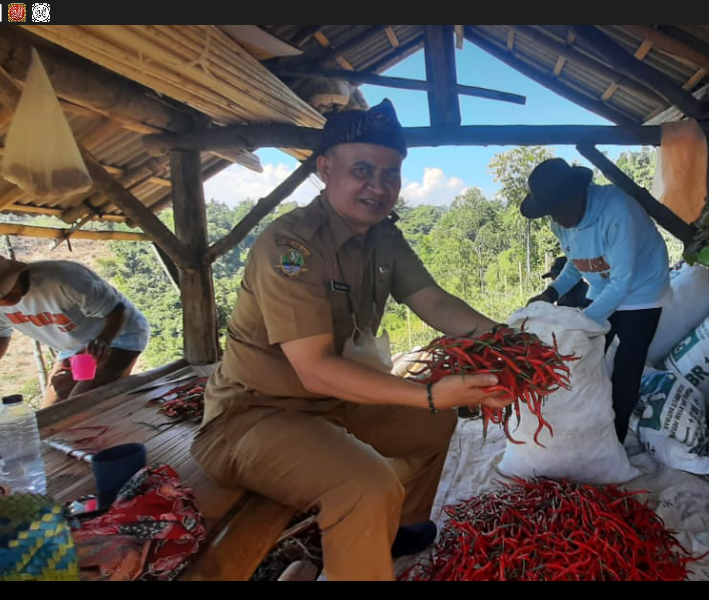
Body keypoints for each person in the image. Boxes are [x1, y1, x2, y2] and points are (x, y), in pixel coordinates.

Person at [190, 99, 512, 581]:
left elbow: (433, 300)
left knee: (436, 424)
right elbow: (314, 366)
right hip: (253, 417)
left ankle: (394, 531)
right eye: (362, 170)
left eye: (390, 173)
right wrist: (426, 393)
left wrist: (507, 341)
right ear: (325, 169)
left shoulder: (384, 239)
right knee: (367, 483)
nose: (378, 186)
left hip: (331, 405)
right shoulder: (291, 247)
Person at [522, 158, 669, 443]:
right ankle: (585, 424)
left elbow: (622, 283)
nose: (558, 219)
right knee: (584, 358)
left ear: (580, 194)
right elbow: (577, 263)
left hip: (642, 290)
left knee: (627, 365)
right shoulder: (562, 222)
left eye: (562, 210)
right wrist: (551, 292)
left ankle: (614, 439)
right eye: (551, 213)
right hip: (604, 284)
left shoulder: (617, 212)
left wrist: (582, 322)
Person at [0, 243, 149, 407]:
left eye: (1, 290)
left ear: (11, 272)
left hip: (117, 336)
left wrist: (102, 342)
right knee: (53, 412)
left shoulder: (63, 279)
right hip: (74, 349)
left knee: (83, 403)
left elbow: (117, 311)